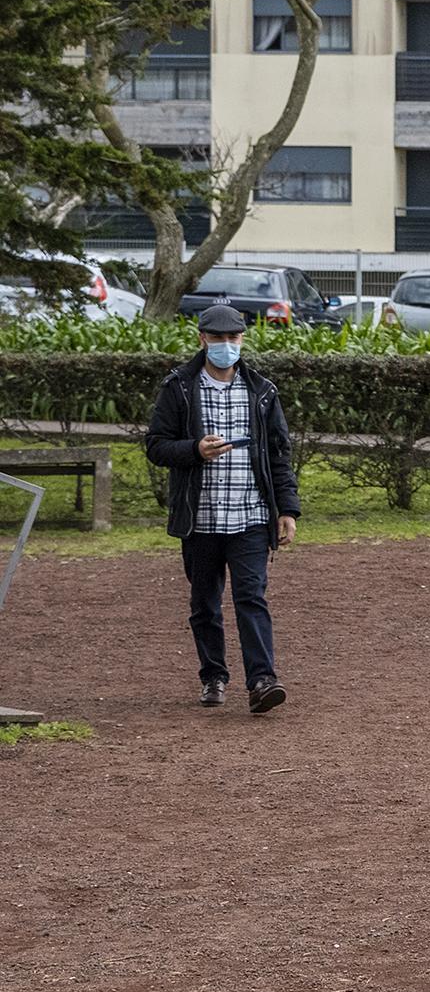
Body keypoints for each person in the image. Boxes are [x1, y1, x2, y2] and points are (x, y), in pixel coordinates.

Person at [142, 302, 302, 714]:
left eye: (233, 338)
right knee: (205, 604)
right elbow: (156, 446)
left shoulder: (262, 391)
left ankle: (262, 680)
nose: (226, 345)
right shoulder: (178, 387)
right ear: (203, 339)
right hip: (201, 519)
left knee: (252, 597)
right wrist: (194, 449)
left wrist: (287, 509)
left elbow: (279, 455)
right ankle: (213, 675)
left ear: (242, 340)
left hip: (250, 516)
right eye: (218, 338)